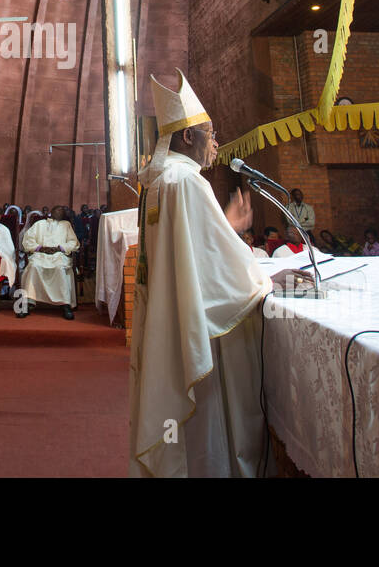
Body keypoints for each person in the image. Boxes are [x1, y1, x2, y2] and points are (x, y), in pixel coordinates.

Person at [130, 69, 310, 478]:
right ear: (187, 136)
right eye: (210, 134)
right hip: (202, 331)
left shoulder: (161, 181)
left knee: (189, 442)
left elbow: (191, 253)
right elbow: (216, 271)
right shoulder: (187, 182)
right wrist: (264, 280)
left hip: (171, 320)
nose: (216, 143)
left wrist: (226, 230)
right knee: (215, 428)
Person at [19, 205, 80, 319]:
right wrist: (40, 248)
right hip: (40, 254)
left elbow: (73, 242)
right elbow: (28, 240)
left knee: (59, 268)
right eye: (57, 210)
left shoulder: (66, 225)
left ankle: (65, 304)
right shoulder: (39, 224)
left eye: (62, 211)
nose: (60, 212)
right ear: (51, 212)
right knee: (33, 266)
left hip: (59, 255)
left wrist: (59, 248)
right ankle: (28, 303)